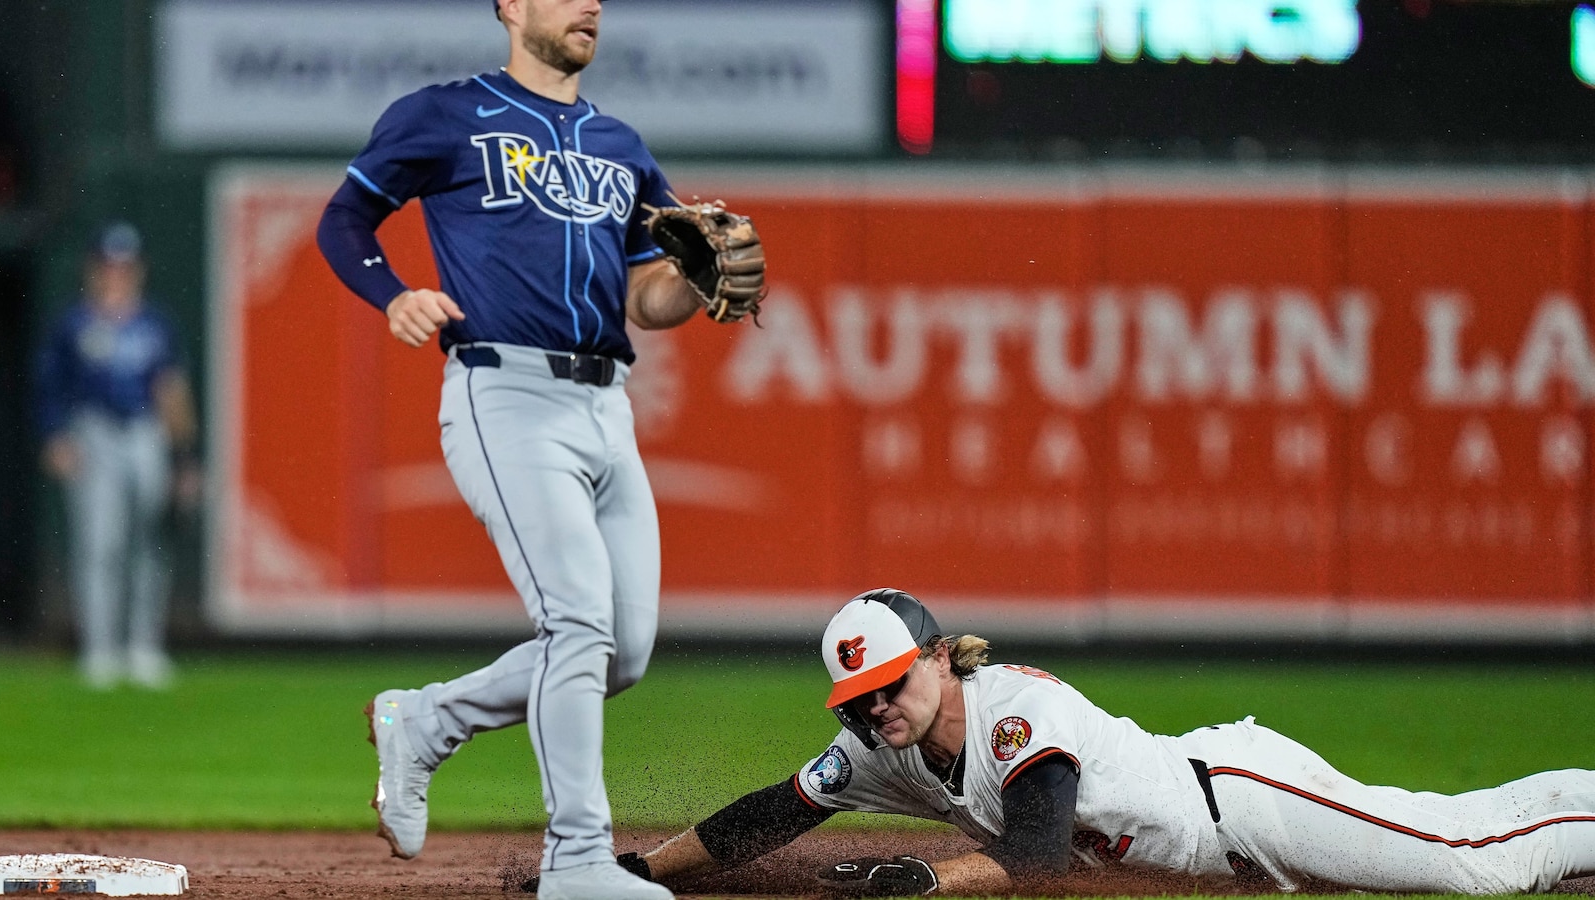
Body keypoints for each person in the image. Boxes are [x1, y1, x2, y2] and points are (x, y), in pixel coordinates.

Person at [314, 1, 763, 899]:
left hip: (608, 404)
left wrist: (695, 276)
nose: (590, 5)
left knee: (621, 651)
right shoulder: (445, 114)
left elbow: (649, 301)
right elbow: (344, 223)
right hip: (503, 391)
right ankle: (577, 859)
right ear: (512, 7)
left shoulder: (620, 144)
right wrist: (394, 296)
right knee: (578, 625)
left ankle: (430, 718)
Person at [569, 589, 1595, 897]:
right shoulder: (880, 747)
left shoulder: (1013, 708)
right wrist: (638, 875)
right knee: (1465, 835)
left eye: (887, 686)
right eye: (855, 702)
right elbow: (765, 817)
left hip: (1236, 797)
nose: (872, 711)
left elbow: (1037, 853)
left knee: (1477, 866)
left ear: (935, 660)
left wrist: (918, 882)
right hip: (1213, 856)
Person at [33, 221, 200, 690]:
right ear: (93, 269)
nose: (117, 274)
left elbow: (172, 391)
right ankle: (99, 650)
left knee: (151, 538)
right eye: (108, 266)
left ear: (138, 270)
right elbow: (51, 386)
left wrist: (185, 457)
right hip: (95, 430)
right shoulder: (74, 323)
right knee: (100, 542)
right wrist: (55, 437)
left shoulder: (155, 323)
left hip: (145, 432)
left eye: (125, 266)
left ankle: (144, 647)